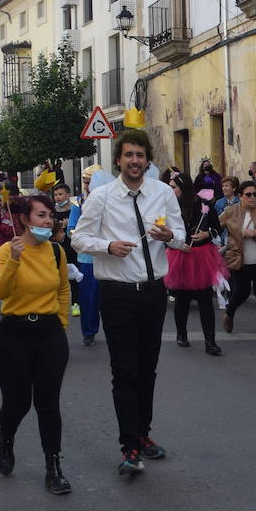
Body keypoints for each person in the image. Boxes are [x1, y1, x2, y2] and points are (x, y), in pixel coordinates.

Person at [71, 129, 186, 477]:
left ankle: (144, 434)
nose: (135, 161)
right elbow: (78, 239)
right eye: (129, 155)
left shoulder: (163, 193)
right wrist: (107, 247)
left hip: (153, 292)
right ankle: (129, 446)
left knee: (147, 369)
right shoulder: (102, 197)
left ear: (147, 160)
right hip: (117, 294)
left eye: (140, 155)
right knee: (124, 371)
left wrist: (170, 237)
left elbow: (182, 237)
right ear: (118, 159)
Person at [0, 195, 72, 494]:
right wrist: (13, 259)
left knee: (48, 405)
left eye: (50, 216)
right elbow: (0, 290)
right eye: (41, 215)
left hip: (50, 334)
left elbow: (64, 288)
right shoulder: (6, 251)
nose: (49, 221)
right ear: (25, 219)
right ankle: (6, 438)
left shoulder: (55, 251)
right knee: (17, 402)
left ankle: (53, 468)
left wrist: (61, 322)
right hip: (14, 335)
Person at [164, 171, 227, 355]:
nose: (170, 190)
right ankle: (181, 334)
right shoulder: (169, 207)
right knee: (181, 299)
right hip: (180, 256)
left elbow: (216, 227)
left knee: (205, 300)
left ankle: (210, 341)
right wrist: (176, 242)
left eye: (173, 187)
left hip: (201, 257)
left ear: (183, 187)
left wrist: (207, 234)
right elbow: (162, 232)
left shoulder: (204, 204)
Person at [220, 180, 256, 339]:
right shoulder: (231, 212)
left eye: (255, 194)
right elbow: (216, 225)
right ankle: (229, 313)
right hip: (239, 260)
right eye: (248, 194)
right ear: (240, 196)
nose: (252, 197)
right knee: (242, 292)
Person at [75, 165, 103, 347]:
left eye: (89, 183)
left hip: (109, 255)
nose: (86, 187)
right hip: (87, 258)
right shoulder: (79, 202)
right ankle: (89, 331)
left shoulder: (112, 200)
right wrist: (76, 234)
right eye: (84, 182)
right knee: (88, 298)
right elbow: (72, 227)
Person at [51, 182, 82, 316]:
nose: (57, 197)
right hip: (57, 249)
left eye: (60, 194)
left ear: (68, 195)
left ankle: (76, 304)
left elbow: (80, 226)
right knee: (57, 278)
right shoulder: (52, 211)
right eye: (55, 194)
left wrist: (70, 225)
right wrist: (57, 225)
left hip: (72, 248)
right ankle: (55, 305)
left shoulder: (74, 209)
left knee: (74, 278)